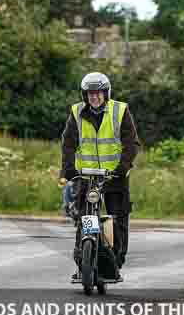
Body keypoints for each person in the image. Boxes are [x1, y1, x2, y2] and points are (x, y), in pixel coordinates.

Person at [59, 72, 140, 281]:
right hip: (86, 177)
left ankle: (116, 260)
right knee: (86, 217)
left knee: (117, 217)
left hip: (114, 176)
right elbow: (68, 143)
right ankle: (82, 261)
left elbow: (131, 143)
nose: (94, 97)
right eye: (90, 93)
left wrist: (122, 168)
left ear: (106, 93)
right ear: (85, 95)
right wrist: (68, 169)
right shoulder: (77, 112)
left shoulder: (119, 111)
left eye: (98, 93)